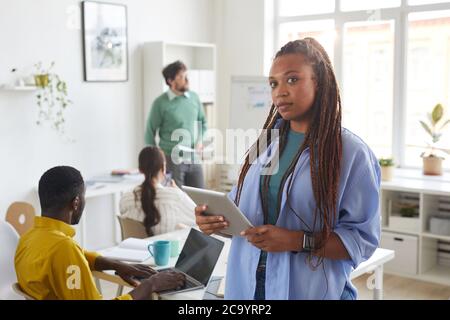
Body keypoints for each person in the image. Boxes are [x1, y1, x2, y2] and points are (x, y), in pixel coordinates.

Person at [195, 38, 381, 300]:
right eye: (273, 83)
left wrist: (296, 241)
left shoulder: (351, 154)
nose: (279, 91)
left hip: (310, 291)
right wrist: (216, 221)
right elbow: (242, 211)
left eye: (292, 80)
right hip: (248, 285)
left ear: (319, 82)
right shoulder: (266, 144)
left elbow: (362, 241)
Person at [15, 166, 184, 300]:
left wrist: (116, 265)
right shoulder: (63, 249)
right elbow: (67, 255)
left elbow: (74, 256)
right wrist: (150, 285)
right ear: (75, 203)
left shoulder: (27, 240)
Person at [145, 60, 207, 188]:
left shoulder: (194, 98)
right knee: (177, 200)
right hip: (171, 159)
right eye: (181, 77)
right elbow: (149, 132)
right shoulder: (160, 103)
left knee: (201, 199)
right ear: (170, 81)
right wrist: (157, 157)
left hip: (193, 157)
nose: (187, 79)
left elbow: (203, 123)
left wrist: (200, 141)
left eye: (186, 75)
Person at [120, 146, 196, 236]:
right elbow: (198, 217)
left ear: (140, 170)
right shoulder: (175, 196)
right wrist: (178, 191)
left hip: (134, 249)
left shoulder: (125, 199)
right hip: (165, 249)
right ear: (163, 169)